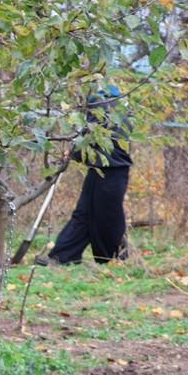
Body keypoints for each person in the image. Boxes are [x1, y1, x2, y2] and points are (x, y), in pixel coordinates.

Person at [43, 87, 132, 265]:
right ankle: (63, 256)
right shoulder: (120, 107)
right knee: (84, 212)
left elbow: (89, 136)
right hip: (101, 170)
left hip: (111, 170)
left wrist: (73, 153)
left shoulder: (101, 107)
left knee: (106, 216)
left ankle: (113, 256)